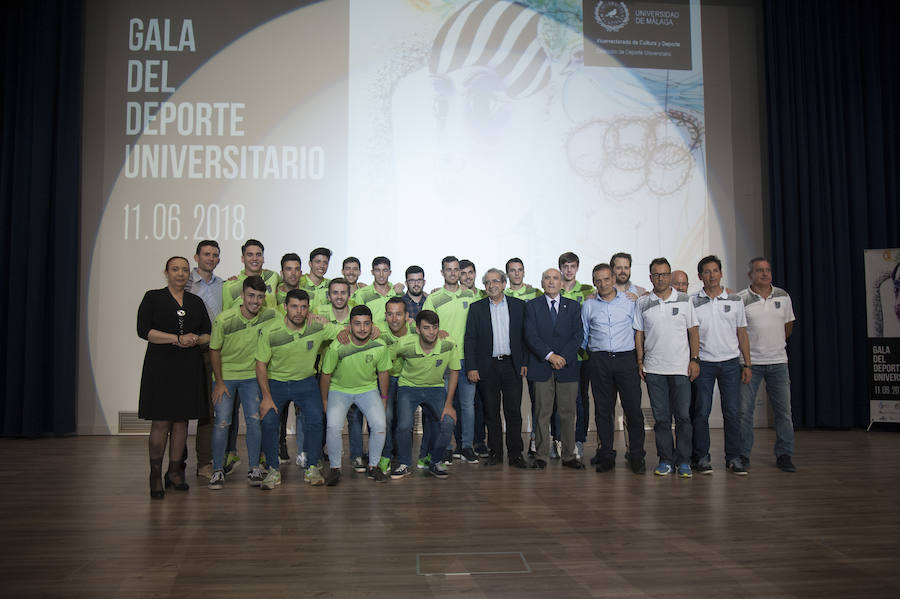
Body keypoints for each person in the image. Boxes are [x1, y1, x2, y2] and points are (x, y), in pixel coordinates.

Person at [137, 256, 211, 499]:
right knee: (160, 422)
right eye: (175, 269)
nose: (180, 273)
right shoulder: (153, 297)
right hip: (160, 366)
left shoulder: (195, 301)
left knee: (181, 422)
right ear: (166, 272)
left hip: (188, 366)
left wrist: (194, 339)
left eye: (184, 270)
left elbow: (207, 334)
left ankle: (175, 473)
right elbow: (144, 331)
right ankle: (155, 474)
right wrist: (176, 339)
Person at [255, 289, 341, 489]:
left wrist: (373, 329)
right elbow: (260, 364)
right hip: (276, 383)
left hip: (306, 382)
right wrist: (266, 397)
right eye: (294, 306)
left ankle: (312, 466)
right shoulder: (270, 331)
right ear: (285, 307)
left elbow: (344, 331)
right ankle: (273, 470)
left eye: (303, 307)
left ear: (308, 309)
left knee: (317, 420)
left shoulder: (316, 326)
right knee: (268, 423)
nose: (299, 312)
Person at [208, 276, 278, 490]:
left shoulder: (271, 316)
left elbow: (293, 319)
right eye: (251, 296)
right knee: (222, 423)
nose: (255, 301)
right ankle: (218, 470)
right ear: (242, 296)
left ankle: (254, 468)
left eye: (259, 297)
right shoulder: (224, 319)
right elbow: (214, 351)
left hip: (252, 377)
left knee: (254, 421)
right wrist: (219, 382)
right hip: (225, 377)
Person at [633, 258, 700, 478]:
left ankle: (684, 461)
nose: (660, 278)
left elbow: (693, 331)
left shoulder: (684, 300)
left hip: (681, 368)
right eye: (656, 275)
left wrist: (695, 359)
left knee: (683, 417)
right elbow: (639, 334)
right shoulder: (643, 303)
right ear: (651, 277)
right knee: (661, 419)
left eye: (664, 274)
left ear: (670, 276)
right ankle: (665, 460)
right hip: (654, 370)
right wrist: (640, 362)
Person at [582, 263, 646, 474]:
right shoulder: (589, 305)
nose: (602, 284)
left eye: (606, 279)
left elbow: (638, 331)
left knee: (633, 411)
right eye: (598, 280)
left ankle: (636, 455)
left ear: (613, 279)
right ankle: (607, 454)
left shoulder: (629, 302)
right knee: (603, 411)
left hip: (625, 360)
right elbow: (584, 335)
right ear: (594, 283)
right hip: (599, 360)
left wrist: (639, 360)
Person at [690, 255, 752, 475]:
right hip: (704, 363)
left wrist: (747, 364)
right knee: (701, 412)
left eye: (715, 271)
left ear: (721, 273)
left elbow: (742, 333)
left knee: (732, 412)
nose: (712, 275)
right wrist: (694, 360)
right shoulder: (692, 301)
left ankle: (734, 458)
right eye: (707, 272)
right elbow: (691, 334)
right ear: (700, 276)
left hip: (730, 364)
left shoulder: (734, 300)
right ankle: (703, 457)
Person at [320, 305, 392, 485]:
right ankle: (335, 469)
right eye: (357, 324)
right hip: (339, 389)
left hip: (367, 389)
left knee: (380, 425)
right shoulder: (338, 345)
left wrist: (384, 398)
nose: (362, 328)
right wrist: (324, 399)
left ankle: (373, 467)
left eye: (366, 324)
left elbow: (383, 373)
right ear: (349, 326)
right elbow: (326, 374)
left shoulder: (380, 344)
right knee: (334, 427)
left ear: (372, 325)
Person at [738, 258, 798, 472]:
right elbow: (739, 332)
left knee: (784, 412)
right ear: (750, 275)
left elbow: (787, 327)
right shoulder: (741, 299)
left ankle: (784, 455)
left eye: (767, 270)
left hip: (778, 362)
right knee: (745, 412)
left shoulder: (783, 296)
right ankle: (743, 455)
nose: (764, 274)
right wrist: (746, 361)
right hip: (750, 363)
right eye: (759, 271)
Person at [464, 268, 528, 468]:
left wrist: (524, 361)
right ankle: (496, 453)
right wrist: (472, 367)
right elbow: (470, 339)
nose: (492, 286)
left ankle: (516, 454)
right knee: (491, 412)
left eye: (495, 281)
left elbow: (525, 337)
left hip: (512, 365)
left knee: (513, 412)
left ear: (503, 284)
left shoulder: (519, 306)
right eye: (487, 283)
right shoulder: (477, 308)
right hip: (487, 367)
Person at [524, 268, 584, 469]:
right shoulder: (532, 306)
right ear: (542, 283)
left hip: (567, 367)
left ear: (561, 282)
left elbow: (578, 336)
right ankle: (541, 455)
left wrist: (563, 358)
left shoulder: (574, 306)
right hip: (542, 366)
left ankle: (568, 456)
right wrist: (550, 356)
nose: (551, 282)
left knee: (568, 413)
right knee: (542, 413)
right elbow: (530, 335)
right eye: (547, 278)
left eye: (555, 278)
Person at [391, 309, 460, 479]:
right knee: (404, 425)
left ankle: (435, 461)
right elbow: (385, 358)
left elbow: (454, 371)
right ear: (418, 329)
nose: (432, 332)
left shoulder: (448, 343)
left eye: (435, 327)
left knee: (448, 422)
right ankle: (405, 463)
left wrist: (449, 404)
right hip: (408, 387)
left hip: (435, 388)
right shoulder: (404, 343)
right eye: (427, 328)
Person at [423, 256, 479, 463]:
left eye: (457, 269)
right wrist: (437, 333)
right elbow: (425, 328)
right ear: (442, 272)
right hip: (443, 360)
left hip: (466, 359)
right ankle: (445, 446)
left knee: (467, 405)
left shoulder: (470, 295)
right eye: (449, 269)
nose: (453, 273)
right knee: (444, 405)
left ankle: (466, 446)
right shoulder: (434, 299)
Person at [183, 240, 223, 480]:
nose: (210, 258)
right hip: (185, 353)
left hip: (213, 353)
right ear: (196, 257)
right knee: (179, 410)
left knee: (208, 411)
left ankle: (204, 463)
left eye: (215, 255)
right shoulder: (184, 284)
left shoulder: (224, 285)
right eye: (206, 254)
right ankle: (177, 463)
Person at [375, 297, 419, 472]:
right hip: (385, 379)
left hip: (407, 380)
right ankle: (385, 455)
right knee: (386, 417)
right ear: (385, 315)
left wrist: (442, 332)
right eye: (390, 314)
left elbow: (433, 330)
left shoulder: (416, 330)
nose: (394, 319)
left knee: (404, 422)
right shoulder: (376, 329)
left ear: (407, 316)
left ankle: (403, 460)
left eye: (399, 314)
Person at [558, 251, 595, 461]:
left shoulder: (588, 290)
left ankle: (579, 440)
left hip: (581, 356)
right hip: (559, 356)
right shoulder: (553, 288)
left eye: (572, 266)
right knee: (558, 401)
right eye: (565, 266)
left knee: (581, 399)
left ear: (578, 268)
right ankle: (559, 440)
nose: (568, 270)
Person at [274, 252, 303, 465]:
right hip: (279, 361)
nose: (292, 273)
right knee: (279, 409)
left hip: (305, 360)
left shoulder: (307, 294)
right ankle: (279, 444)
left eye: (296, 269)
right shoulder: (272, 295)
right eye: (288, 269)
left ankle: (306, 451)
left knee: (302, 409)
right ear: (282, 271)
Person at [221, 239, 280, 311]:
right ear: (243, 259)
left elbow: (293, 282)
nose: (254, 258)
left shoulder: (272, 276)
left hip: (273, 322)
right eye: (250, 255)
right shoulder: (230, 285)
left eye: (258, 255)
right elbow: (226, 315)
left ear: (263, 259)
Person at [350, 256, 401, 323]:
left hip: (394, 333)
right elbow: (356, 320)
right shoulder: (362, 294)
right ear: (372, 272)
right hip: (371, 333)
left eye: (385, 270)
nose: (381, 274)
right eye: (377, 270)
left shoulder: (397, 292)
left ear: (390, 272)